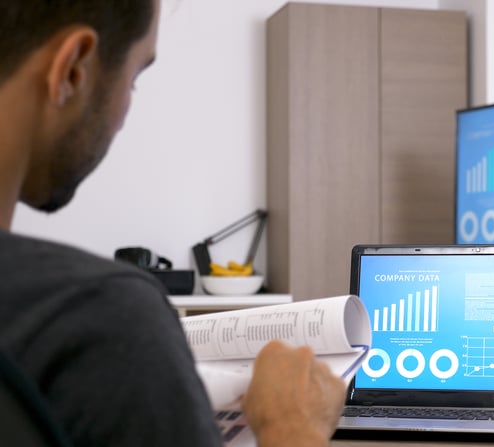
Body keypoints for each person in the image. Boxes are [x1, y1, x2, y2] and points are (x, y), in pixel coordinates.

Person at [0, 1, 346, 446]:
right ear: (72, 70)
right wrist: (292, 428)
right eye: (135, 78)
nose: (126, 107)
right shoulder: (104, 316)